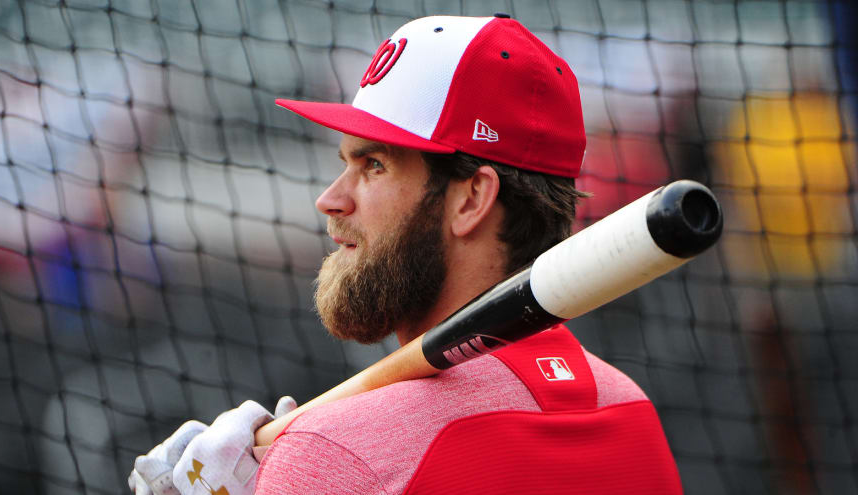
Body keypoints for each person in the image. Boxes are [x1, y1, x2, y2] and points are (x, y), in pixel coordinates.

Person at [130, 14, 682, 495]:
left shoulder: (335, 456)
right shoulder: (633, 416)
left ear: (471, 199)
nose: (331, 199)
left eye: (374, 165)